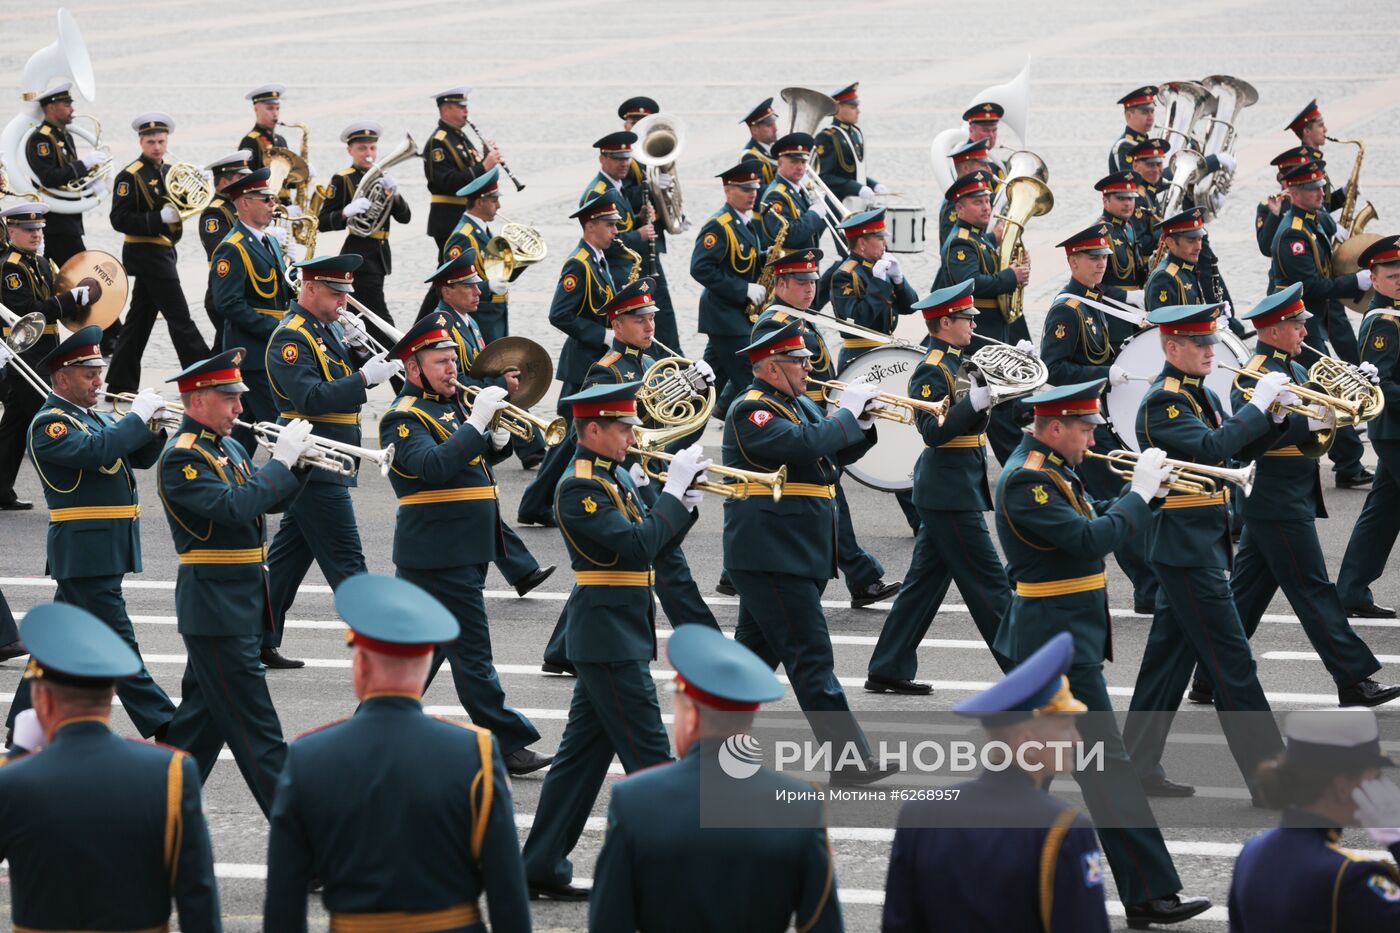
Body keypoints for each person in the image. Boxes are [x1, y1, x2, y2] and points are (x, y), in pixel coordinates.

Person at [991, 381, 1213, 927]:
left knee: (1033, 775)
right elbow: (1089, 541)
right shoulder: (1028, 481)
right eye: (1085, 428)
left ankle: (982, 874)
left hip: (1061, 638)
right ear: (1055, 426)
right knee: (1106, 767)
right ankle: (1150, 894)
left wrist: (1146, 495)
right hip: (1055, 645)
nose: (1092, 438)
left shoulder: (1050, 466)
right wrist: (1138, 496)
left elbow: (1091, 521)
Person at [520, 381, 709, 900]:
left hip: (617, 634)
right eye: (622, 427)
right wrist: (670, 497)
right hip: (607, 639)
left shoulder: (613, 476)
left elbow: (654, 540)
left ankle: (538, 865)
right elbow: (635, 546)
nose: (632, 435)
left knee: (579, 764)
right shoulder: (579, 487)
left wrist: (683, 506)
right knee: (651, 762)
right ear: (593, 429)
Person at [264, 573, 531, 932]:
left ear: (360, 668)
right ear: (424, 669)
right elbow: (507, 893)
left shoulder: (308, 757)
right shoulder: (475, 752)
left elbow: (284, 901)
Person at [1121, 304, 1286, 800]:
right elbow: (1213, 448)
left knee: (1167, 663)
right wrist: (1257, 406)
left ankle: (1135, 766)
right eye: (1201, 344)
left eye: (1212, 342)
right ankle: (1271, 779)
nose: (1212, 351)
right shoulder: (1163, 403)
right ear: (1172, 348)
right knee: (1233, 663)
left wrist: (1274, 415)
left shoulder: (1200, 393)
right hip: (1185, 547)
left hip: (1199, 542)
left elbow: (1235, 453)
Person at [1206, 284, 1399, 707]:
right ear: (1274, 329)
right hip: (1276, 497)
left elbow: (1317, 414)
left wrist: (1352, 395)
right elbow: (1251, 433)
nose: (1304, 334)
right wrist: (1306, 424)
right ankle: (1354, 679)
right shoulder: (1254, 373)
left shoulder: (1290, 365)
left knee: (1245, 595)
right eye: (1297, 326)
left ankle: (1207, 675)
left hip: (1288, 492)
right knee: (1312, 588)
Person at [377, 313, 552, 775]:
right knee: (474, 656)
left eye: (453, 359)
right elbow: (433, 467)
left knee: (423, 655)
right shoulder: (402, 418)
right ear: (413, 370)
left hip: (465, 548)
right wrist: (476, 424)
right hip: (439, 553)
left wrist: (494, 438)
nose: (453, 368)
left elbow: (474, 459)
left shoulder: (450, 404)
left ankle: (370, 736)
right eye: (441, 362)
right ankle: (508, 741)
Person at [723, 318, 892, 784]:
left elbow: (832, 457)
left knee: (750, 666)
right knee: (811, 659)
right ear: (772, 368)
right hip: (775, 554)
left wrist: (863, 421)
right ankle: (849, 761)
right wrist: (843, 417)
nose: (808, 367)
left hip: (794, 552)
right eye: (799, 361)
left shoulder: (796, 404)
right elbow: (803, 446)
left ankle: (708, 750)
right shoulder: (752, 410)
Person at [589, 624, 842, 932]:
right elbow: (822, 924)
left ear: (692, 716)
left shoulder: (634, 801)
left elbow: (610, 922)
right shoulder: (801, 807)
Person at [157, 348, 314, 815]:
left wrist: (299, 466)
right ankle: (304, 842)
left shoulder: (228, 446)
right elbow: (234, 508)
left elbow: (267, 504)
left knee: (194, 734)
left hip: (237, 604)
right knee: (259, 734)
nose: (240, 408)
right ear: (198, 399)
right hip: (217, 609)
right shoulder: (182, 459)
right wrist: (280, 463)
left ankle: (149, 825)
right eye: (229, 398)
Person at [0, 602, 218, 932]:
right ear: (110, 696)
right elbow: (197, 898)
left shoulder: (12, 782)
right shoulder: (172, 772)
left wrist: (16, 757)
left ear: (42, 701)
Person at [4, 325, 175, 744]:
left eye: (99, 371)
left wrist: (151, 426)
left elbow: (138, 456)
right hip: (86, 552)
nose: (99, 380)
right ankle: (167, 722)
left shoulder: (90, 416)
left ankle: (22, 724)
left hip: (102, 548)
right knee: (118, 642)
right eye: (89, 373)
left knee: (59, 642)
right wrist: (134, 419)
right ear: (62, 378)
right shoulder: (51, 425)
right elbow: (96, 453)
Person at [539, 277, 719, 673]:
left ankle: (559, 652)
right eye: (639, 319)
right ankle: (711, 649)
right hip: (620, 476)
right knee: (669, 563)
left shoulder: (653, 365)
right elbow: (595, 434)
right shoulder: (605, 373)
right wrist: (633, 472)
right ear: (616, 326)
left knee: (612, 565)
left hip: (649, 472)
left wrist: (694, 394)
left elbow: (677, 428)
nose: (650, 326)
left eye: (651, 317)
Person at [882, 632, 1112, 932]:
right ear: (1026, 741)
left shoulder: (920, 813)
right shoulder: (1065, 828)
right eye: (1066, 727)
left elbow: (899, 924)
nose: (1077, 740)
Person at [867, 281, 1010, 694]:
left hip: (953, 486)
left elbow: (977, 407)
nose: (972, 324)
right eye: (966, 318)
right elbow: (932, 431)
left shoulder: (959, 360)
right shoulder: (932, 368)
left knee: (923, 586)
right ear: (944, 322)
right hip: (949, 493)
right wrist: (975, 404)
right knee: (990, 587)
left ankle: (888, 666)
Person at [738, 248, 898, 609]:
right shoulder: (774, 323)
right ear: (781, 284)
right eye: (801, 282)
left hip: (814, 412)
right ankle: (863, 577)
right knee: (830, 498)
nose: (810, 289)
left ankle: (862, 577)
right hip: (795, 415)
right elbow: (780, 375)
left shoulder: (798, 316)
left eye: (812, 281)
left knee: (830, 498)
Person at [263, 254, 401, 670]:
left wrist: (361, 357)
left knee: (287, 561)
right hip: (312, 462)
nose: (343, 301)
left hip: (330, 455)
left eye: (345, 293)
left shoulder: (324, 331)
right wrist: (364, 379)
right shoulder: (292, 338)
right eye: (335, 292)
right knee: (347, 561)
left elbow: (332, 383)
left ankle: (255, 640)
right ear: (309, 289)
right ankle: (382, 648)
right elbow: (311, 398)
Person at [1039, 221, 1157, 612]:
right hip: (1081, 422)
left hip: (1101, 416)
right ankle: (1148, 587)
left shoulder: (1098, 299)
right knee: (1112, 498)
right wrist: (1102, 374)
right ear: (1072, 261)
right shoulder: (1067, 310)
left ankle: (1030, 573)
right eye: (1092, 258)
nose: (1101, 264)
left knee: (1094, 502)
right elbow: (1053, 370)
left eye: (1104, 257)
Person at [427, 251, 555, 596]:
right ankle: (511, 572)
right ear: (447, 290)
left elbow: (479, 369)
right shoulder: (442, 325)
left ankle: (520, 571)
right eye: (468, 286)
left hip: (476, 416)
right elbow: (457, 379)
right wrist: (500, 387)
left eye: (476, 284)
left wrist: (504, 381)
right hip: (459, 418)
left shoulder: (468, 322)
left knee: (481, 499)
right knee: (478, 498)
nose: (477, 291)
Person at [1228, 709, 1400, 929]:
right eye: (1376, 776)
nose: (1381, 785)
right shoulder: (1350, 876)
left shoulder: (1251, 852)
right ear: (1342, 786)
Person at [516, 194, 619, 527]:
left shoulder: (599, 259)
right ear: (590, 226)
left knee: (571, 438)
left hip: (593, 364)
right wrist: (600, 335)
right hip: (582, 364)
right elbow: (559, 314)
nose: (615, 231)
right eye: (609, 225)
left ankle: (540, 502)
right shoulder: (580, 263)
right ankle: (535, 503)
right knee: (568, 439)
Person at [1271, 158, 1373, 489]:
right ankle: (1347, 462)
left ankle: (1345, 459)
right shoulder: (1292, 235)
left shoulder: (1317, 219)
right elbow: (1310, 287)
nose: (1321, 192)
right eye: (1313, 189)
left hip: (1311, 315)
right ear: (1295, 193)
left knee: (1316, 384)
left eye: (1321, 187)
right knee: (1323, 386)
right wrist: (1353, 284)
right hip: (1293, 319)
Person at [107, 112, 210, 396]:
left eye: (161, 141)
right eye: (150, 141)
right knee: (180, 317)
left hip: (163, 251)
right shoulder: (130, 175)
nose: (156, 146)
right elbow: (118, 219)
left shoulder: (168, 171)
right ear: (141, 141)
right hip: (146, 252)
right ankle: (203, 374)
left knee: (138, 321)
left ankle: (119, 382)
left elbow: (182, 206)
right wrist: (156, 218)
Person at [933, 169, 1030, 465]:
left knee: (1005, 402)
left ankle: (1018, 460)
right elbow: (971, 283)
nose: (986, 207)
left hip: (993, 331)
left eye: (987, 201)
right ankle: (1017, 465)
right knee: (996, 407)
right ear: (960, 207)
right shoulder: (961, 242)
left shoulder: (980, 238)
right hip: (977, 335)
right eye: (977, 202)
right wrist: (1009, 277)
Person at [0, 203, 90, 511]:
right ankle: (71, 488)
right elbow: (26, 310)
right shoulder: (10, 266)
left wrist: (80, 297)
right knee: (52, 418)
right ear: (11, 230)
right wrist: (66, 301)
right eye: (28, 230)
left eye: (39, 229)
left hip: (45, 347)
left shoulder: (40, 261)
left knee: (14, 426)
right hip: (25, 352)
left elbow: (57, 296)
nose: (36, 234)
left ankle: (0, 489)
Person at [208, 167, 294, 454]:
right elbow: (227, 303)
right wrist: (275, 329)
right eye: (266, 200)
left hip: (267, 351)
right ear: (245, 202)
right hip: (252, 354)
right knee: (280, 430)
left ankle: (228, 483)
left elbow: (280, 295)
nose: (274, 205)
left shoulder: (268, 241)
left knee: (241, 432)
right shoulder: (232, 248)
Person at [1338, 235, 1400, 618]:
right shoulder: (1382, 322)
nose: (1399, 281)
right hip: (1395, 433)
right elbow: (1379, 383)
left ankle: (1350, 591)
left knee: (1381, 515)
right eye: (1392, 276)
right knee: (1382, 513)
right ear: (1373, 280)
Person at [315, 121, 411, 351]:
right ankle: (398, 369)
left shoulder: (382, 178)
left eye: (372, 148)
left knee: (355, 322)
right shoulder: (343, 179)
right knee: (381, 323)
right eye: (362, 149)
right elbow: (322, 221)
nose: (368, 154)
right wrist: (346, 212)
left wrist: (396, 196)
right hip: (359, 256)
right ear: (350, 151)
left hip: (378, 256)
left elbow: (405, 217)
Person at [693, 162, 768, 414]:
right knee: (753, 377)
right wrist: (742, 288)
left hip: (734, 315)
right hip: (724, 315)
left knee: (706, 384)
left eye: (754, 188)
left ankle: (683, 415)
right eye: (745, 189)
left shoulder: (746, 221)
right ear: (727, 190)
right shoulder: (720, 225)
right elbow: (700, 268)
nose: (752, 194)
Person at [615, 96, 684, 354]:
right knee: (654, 313)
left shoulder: (649, 156)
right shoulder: (627, 158)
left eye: (644, 121)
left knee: (660, 313)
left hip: (649, 246)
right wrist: (656, 191)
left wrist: (674, 215)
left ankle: (672, 357)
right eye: (634, 121)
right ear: (626, 125)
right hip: (637, 248)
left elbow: (658, 203)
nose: (638, 125)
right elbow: (626, 199)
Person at [24, 83, 105, 267]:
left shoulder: (63, 135)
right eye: (67, 104)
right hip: (56, 222)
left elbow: (68, 179)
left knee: (58, 279)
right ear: (51, 108)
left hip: (68, 221)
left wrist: (89, 185)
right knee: (81, 273)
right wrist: (82, 165)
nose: (72, 109)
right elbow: (49, 177)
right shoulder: (41, 139)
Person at [830, 207, 918, 369]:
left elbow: (910, 306)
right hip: (859, 356)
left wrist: (899, 280)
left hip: (884, 351)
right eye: (879, 238)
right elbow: (858, 319)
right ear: (862, 242)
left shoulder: (880, 267)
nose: (885, 243)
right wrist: (878, 283)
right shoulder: (845, 275)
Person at [423, 86, 500, 255]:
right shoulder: (439, 142)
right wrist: (484, 166)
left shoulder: (459, 136)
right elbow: (448, 182)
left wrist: (485, 161)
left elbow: (471, 175)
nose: (466, 111)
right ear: (446, 109)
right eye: (461, 107)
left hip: (465, 215)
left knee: (466, 270)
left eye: (465, 106)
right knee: (453, 273)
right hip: (448, 217)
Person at [197, 150, 254, 354]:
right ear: (223, 182)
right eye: (241, 178)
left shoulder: (242, 206)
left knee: (227, 349)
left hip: (242, 289)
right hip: (223, 291)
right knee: (231, 349)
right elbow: (221, 250)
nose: (248, 183)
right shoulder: (216, 212)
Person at [757, 133, 830, 254]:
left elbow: (813, 233)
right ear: (780, 163)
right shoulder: (775, 195)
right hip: (788, 268)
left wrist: (820, 209)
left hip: (806, 262)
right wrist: (814, 213)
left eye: (803, 162)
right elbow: (788, 236)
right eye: (794, 162)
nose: (800, 167)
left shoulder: (799, 191)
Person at [815, 83, 886, 206]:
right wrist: (857, 188)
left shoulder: (854, 134)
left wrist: (874, 185)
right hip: (839, 204)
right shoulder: (827, 137)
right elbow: (824, 177)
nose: (858, 111)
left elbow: (854, 174)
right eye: (853, 107)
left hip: (857, 203)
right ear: (838, 108)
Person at [1254, 146, 1318, 258]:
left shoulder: (1311, 197)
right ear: (1283, 180)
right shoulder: (1267, 207)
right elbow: (1266, 248)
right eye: (1299, 178)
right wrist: (1275, 215)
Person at [1097, 170, 1151, 297]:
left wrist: (1150, 265)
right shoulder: (1101, 232)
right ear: (1106, 201)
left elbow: (1134, 274)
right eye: (1120, 198)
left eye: (1131, 198)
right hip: (1111, 308)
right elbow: (1091, 283)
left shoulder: (1128, 227)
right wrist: (1126, 296)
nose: (1127, 203)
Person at [937, 137, 994, 245]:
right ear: (966, 168)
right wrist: (994, 238)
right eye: (984, 165)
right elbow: (957, 243)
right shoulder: (953, 203)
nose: (989, 170)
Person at [236, 83, 289, 174]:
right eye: (270, 108)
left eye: (277, 108)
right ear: (256, 109)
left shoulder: (281, 140)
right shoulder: (250, 141)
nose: (275, 113)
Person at [1108, 85, 1157, 174]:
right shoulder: (1125, 146)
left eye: (1152, 112)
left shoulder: (1145, 144)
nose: (1151, 117)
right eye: (1145, 112)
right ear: (1129, 116)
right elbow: (1135, 183)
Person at [740, 96, 779, 186]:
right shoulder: (750, 156)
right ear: (754, 130)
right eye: (769, 125)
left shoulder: (774, 149)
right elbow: (759, 193)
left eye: (774, 123)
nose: (775, 128)